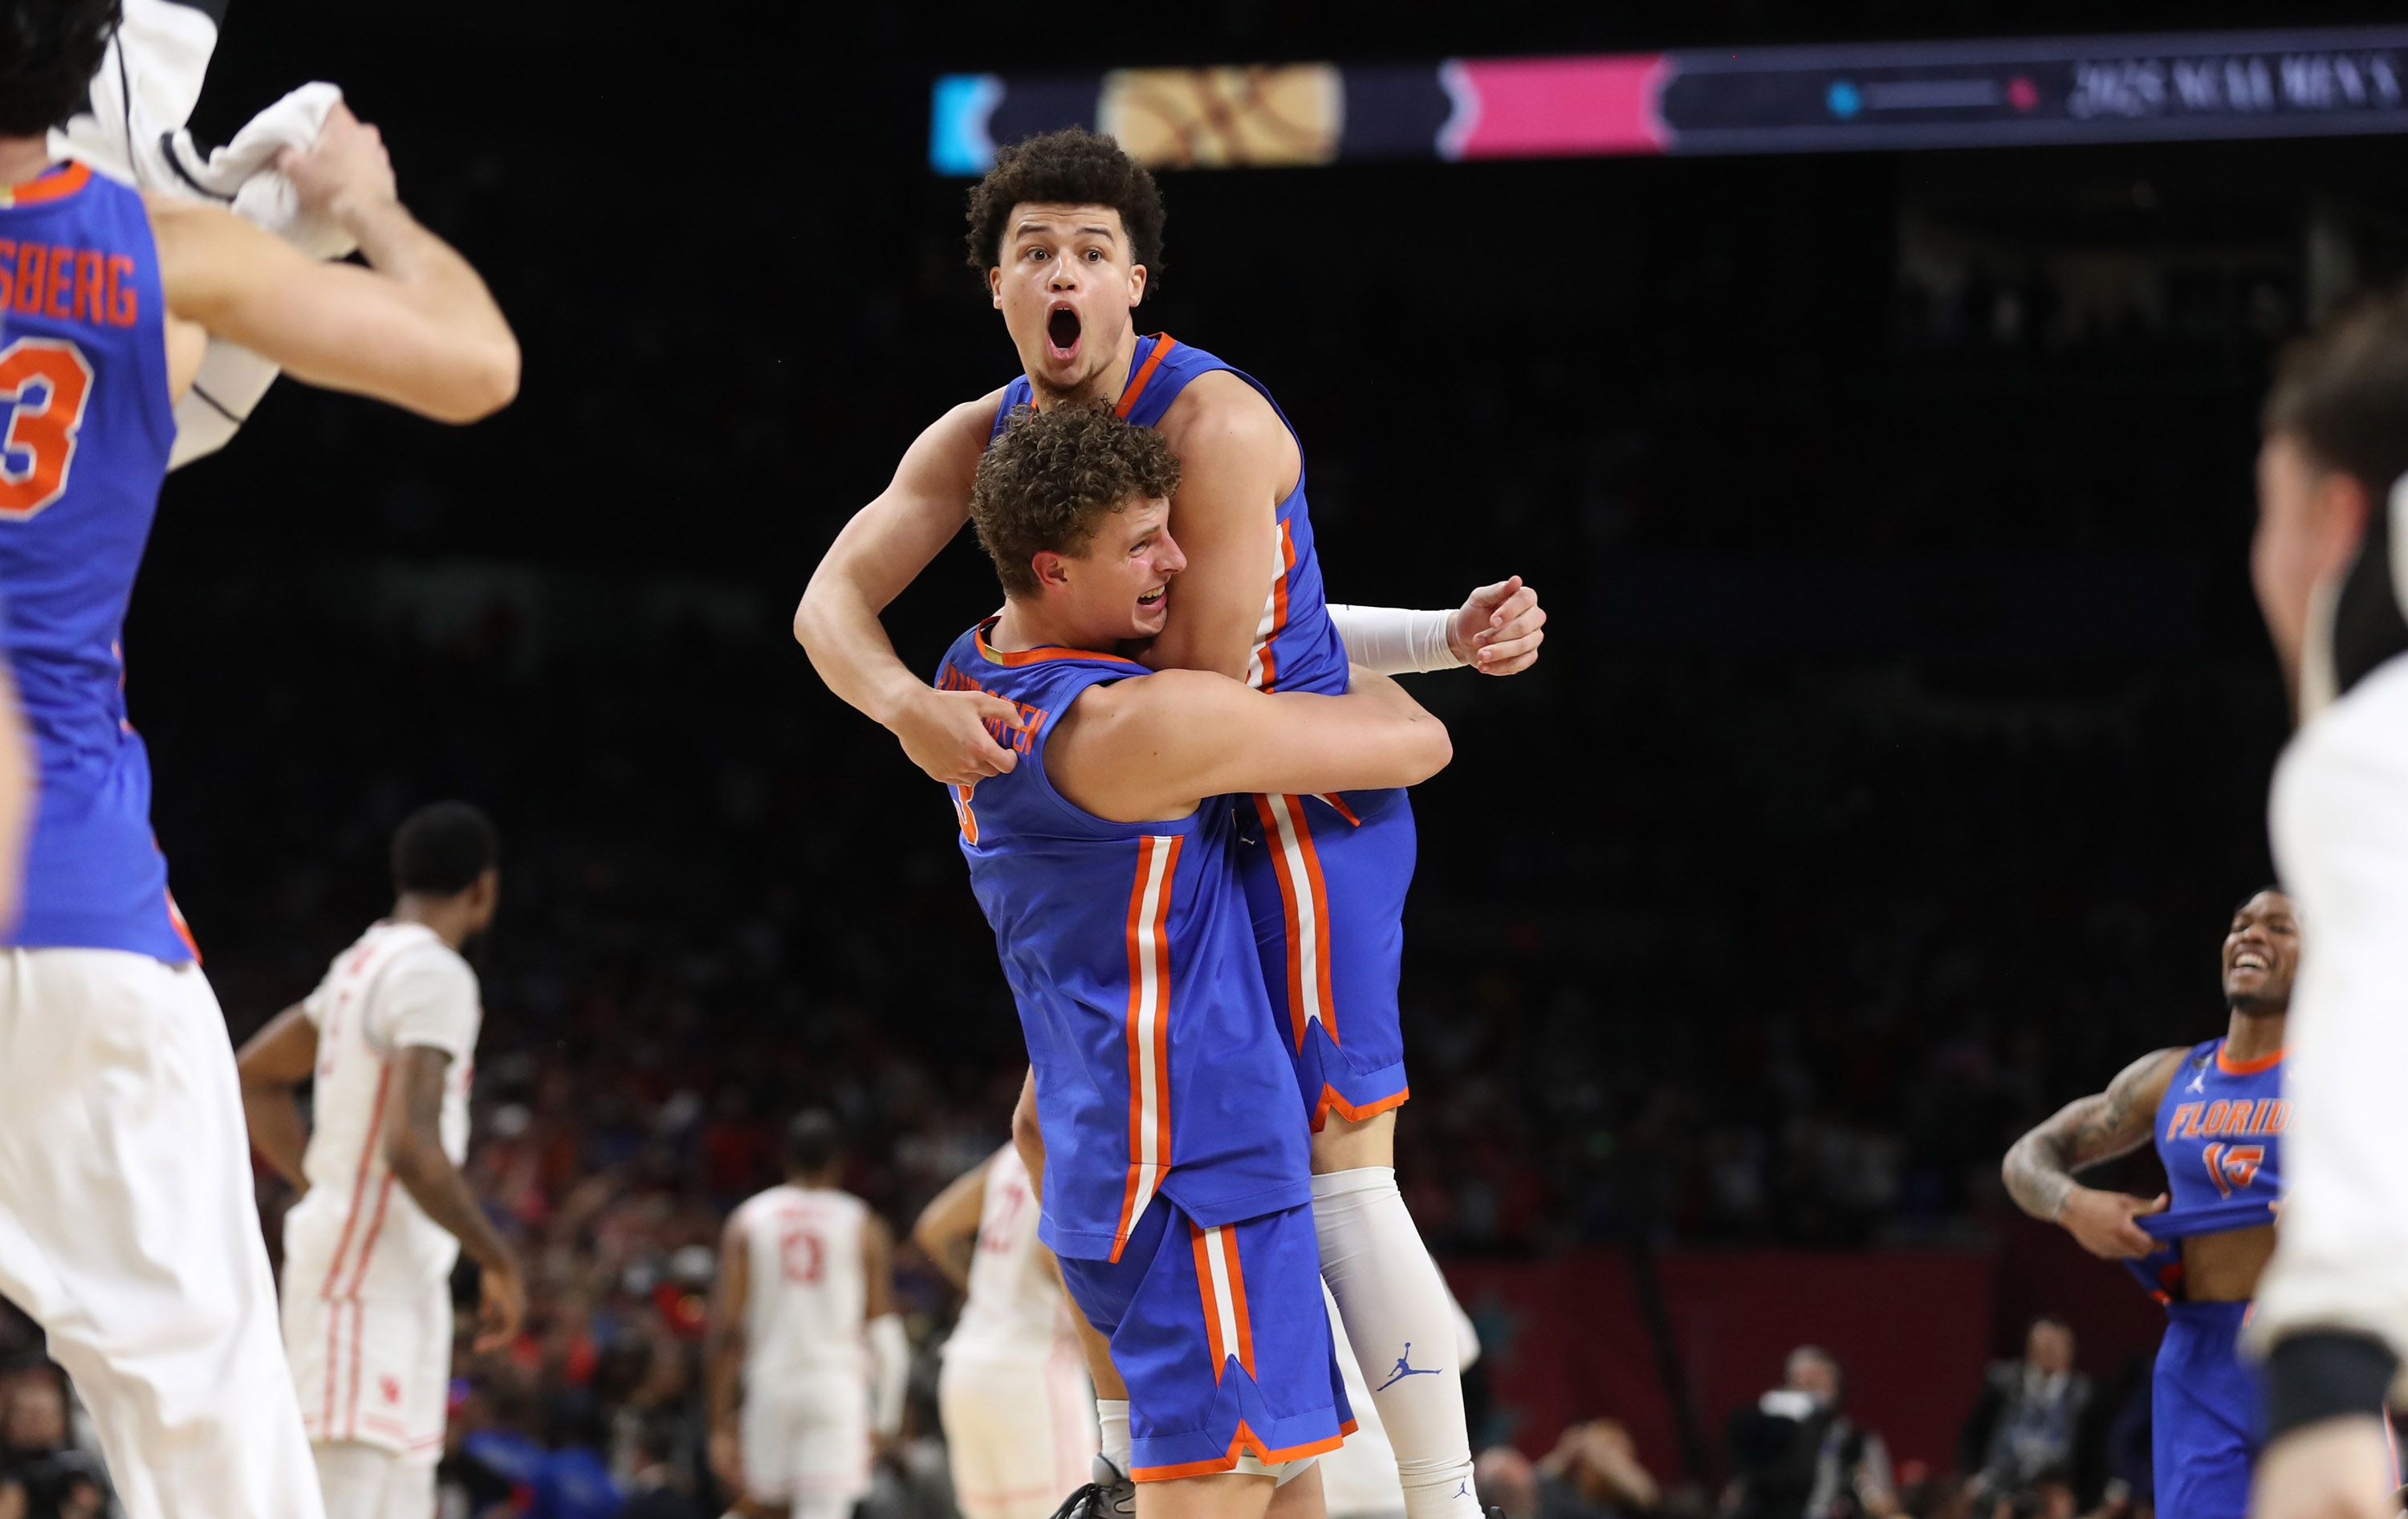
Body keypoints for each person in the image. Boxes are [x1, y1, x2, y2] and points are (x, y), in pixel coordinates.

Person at [796, 126, 1536, 1519]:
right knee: (1044, 1129)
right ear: (1000, 291)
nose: (1064, 271)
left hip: (1296, 806)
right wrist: (902, 704)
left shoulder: (1214, 426)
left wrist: (1438, 644)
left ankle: (1446, 1500)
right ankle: (1132, 1463)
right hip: (1186, 791)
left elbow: (1223, 688)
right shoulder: (987, 437)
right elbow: (827, 604)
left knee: (1331, 1166)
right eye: (1035, 253)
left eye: (1090, 249)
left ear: (1135, 280)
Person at [0, 5, 517, 1515]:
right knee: (214, 1432)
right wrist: (355, 209)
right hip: (70, 914)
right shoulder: (159, 252)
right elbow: (476, 363)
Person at [932, 401, 1454, 1519]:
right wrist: (1317, 642)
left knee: (1285, 1499)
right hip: (1201, 1167)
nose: (1179, 556)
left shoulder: (967, 671)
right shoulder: (1140, 728)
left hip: (1102, 1154)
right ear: (1053, 569)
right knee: (1233, 1494)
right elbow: (1418, 743)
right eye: (1143, 544)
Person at [2235, 283, 2408, 1519]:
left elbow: (2376, 1051)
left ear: (2337, 519)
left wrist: (2328, 1389)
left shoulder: (2369, 751)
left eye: (2265, 512)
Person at [233, 802, 522, 1519]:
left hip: (387, 1278)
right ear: (482, 890)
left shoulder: (361, 963)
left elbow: (255, 1075)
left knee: (401, 1500)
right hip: (363, 1285)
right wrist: (499, 1259)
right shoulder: (436, 974)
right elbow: (413, 1150)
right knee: (341, 1502)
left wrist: (322, 1180)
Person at [2000, 890, 2299, 1519]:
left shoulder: (2353, 1075)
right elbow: (2026, 1157)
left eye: (2279, 927)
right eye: (2240, 924)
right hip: (2198, 1359)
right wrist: (2072, 1204)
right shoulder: (2168, 1077)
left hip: (2309, 1346)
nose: (2251, 935)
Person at [706, 1110, 907, 1519]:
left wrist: (718, 1423)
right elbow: (885, 1331)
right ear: (838, 1162)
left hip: (770, 1385)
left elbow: (728, 1330)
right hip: (836, 1388)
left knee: (764, 1506)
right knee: (822, 1510)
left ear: (786, 1158)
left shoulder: (749, 1220)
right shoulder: (863, 1223)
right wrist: (886, 1417)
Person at [915, 1142, 1098, 1519]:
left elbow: (934, 1228)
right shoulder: (1081, 1150)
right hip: (1031, 1372)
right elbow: (1052, 1257)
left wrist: (990, 1291)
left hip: (968, 1366)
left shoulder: (1011, 1154)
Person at [1722, 1348, 1895, 1519]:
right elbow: (1736, 1495)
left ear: (1838, 1385)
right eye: (1802, 1379)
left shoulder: (1859, 1441)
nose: (1811, 1384)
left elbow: (1884, 1504)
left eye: (1820, 1377)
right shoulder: (1766, 1439)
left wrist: (1871, 1495)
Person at [1955, 1318, 2091, 1518]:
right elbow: (1972, 1435)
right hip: (1997, 1487)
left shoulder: (2084, 1395)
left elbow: (2091, 1453)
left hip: (2054, 1494)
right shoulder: (2001, 1382)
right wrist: (1972, 1477)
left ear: (2069, 1353)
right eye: (2044, 1347)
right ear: (2030, 1349)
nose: (2049, 1353)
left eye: (2056, 1347)